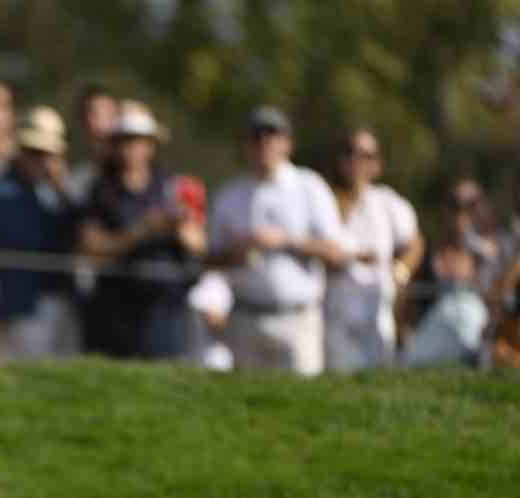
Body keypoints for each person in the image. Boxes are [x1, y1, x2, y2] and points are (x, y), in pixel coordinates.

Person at [208, 106, 348, 376]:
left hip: (297, 319)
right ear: (246, 144)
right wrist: (236, 251)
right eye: (256, 136)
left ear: (287, 143)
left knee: (301, 398)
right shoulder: (230, 194)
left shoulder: (309, 186)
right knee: (245, 398)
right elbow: (209, 260)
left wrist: (286, 241)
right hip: (245, 318)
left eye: (271, 135)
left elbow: (335, 252)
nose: (264, 143)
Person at [78, 101, 206, 360]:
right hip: (116, 313)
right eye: (124, 140)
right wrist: (141, 232)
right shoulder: (100, 191)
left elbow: (199, 244)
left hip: (166, 313)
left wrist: (178, 229)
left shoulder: (173, 187)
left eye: (137, 140)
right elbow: (89, 247)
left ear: (151, 145)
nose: (130, 148)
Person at [0, 106, 79, 360]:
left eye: (49, 154)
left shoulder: (61, 192)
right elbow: (26, 239)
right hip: (25, 304)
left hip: (62, 298)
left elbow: (77, 233)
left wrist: (62, 191)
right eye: (35, 153)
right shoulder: (2, 191)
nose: (42, 161)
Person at [325, 127, 424, 371]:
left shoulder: (387, 202)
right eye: (350, 152)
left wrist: (400, 271)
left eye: (366, 155)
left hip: (377, 312)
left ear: (377, 165)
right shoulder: (323, 199)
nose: (356, 160)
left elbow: (415, 242)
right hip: (335, 314)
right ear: (340, 160)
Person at [399, 180, 495, 368]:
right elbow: (406, 302)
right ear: (444, 209)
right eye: (455, 206)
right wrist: (404, 334)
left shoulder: (488, 257)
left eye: (471, 207)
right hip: (429, 346)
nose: (462, 215)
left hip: (475, 344)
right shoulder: (424, 251)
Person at [66, 85, 118, 208]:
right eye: (94, 115)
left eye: (110, 115)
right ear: (82, 123)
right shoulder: (74, 180)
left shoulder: (145, 175)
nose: (102, 126)